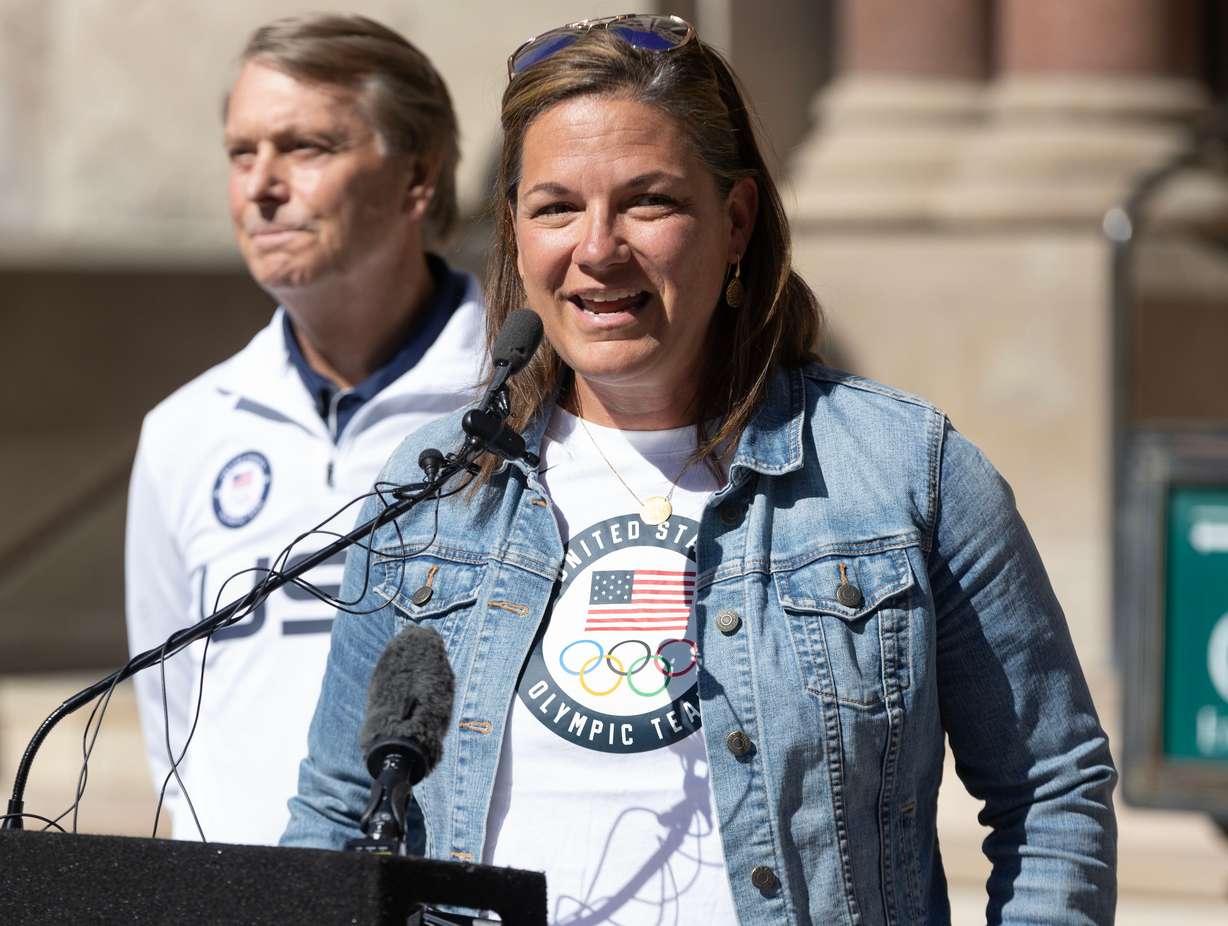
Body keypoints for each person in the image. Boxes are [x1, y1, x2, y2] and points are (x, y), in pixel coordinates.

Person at [281, 13, 1117, 924]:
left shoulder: (905, 473)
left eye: (649, 201)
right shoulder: (442, 485)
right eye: (557, 206)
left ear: (738, 222)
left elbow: (1051, 792)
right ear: (516, 232)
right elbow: (338, 816)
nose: (597, 248)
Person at [124, 13, 485, 845]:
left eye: (306, 148)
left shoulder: (533, 408)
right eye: (241, 153)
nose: (261, 185)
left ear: (417, 177)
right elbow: (173, 733)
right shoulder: (184, 430)